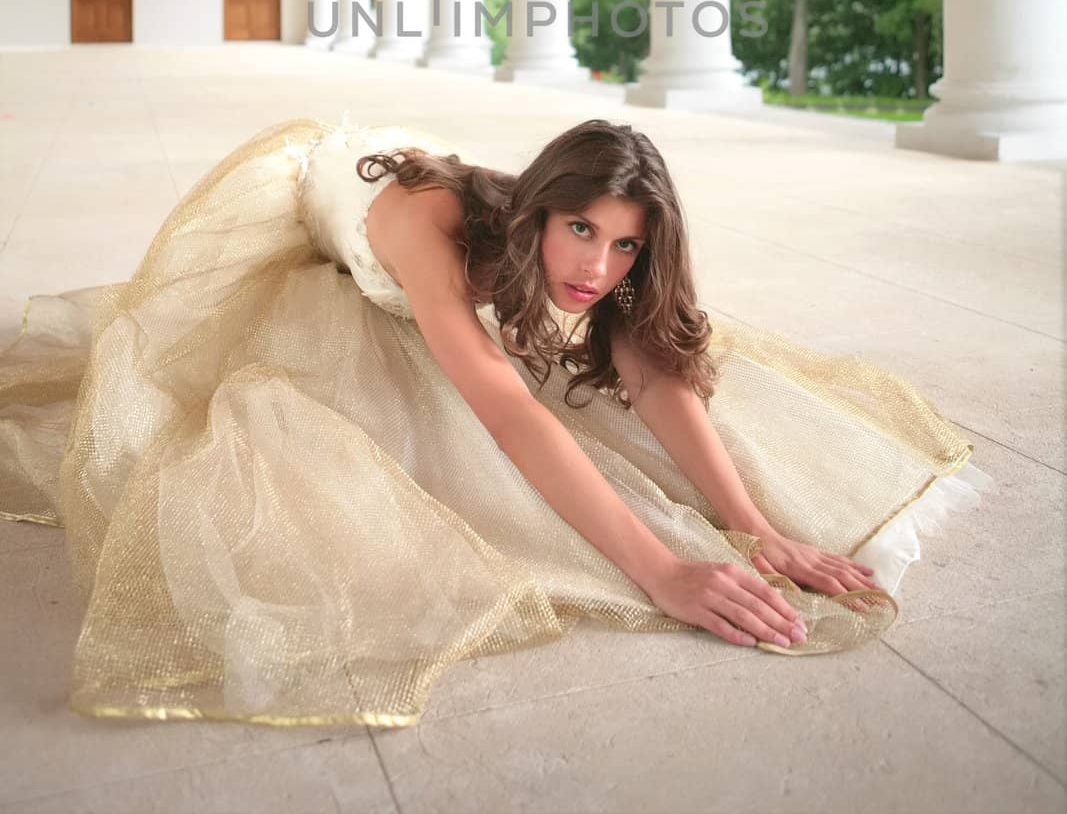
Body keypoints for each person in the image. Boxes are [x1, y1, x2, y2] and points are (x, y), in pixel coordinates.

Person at [0, 114, 992, 730]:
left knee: (654, 360)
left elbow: (654, 378)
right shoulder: (427, 223)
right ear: (544, 210)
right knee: (321, 393)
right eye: (580, 230)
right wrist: (659, 566)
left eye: (622, 247)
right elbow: (506, 412)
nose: (595, 268)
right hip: (326, 193)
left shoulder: (592, 261)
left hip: (462, 199)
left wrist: (750, 525)